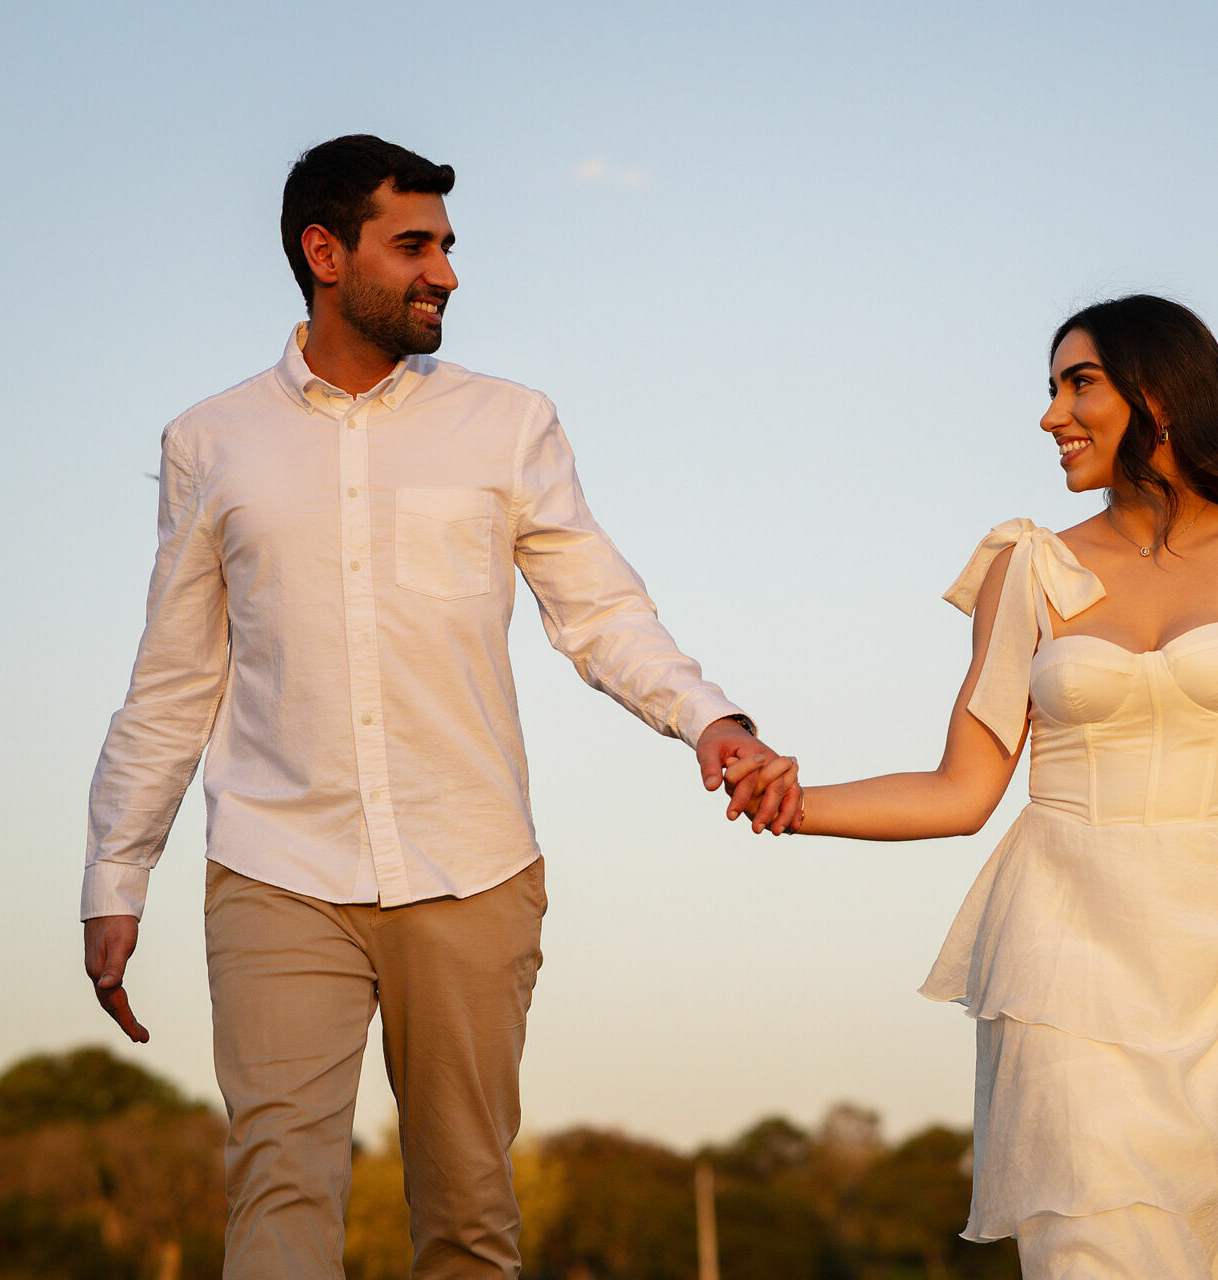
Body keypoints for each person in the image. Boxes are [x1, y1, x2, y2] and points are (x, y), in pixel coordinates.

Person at [80, 134, 796, 1279]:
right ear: (325, 252)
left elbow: (600, 610)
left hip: (472, 864)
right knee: (276, 1195)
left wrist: (710, 718)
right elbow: (173, 677)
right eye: (413, 246)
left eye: (448, 248)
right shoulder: (209, 443)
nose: (447, 273)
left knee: (467, 1218)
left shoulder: (509, 424)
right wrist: (116, 873)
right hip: (276, 866)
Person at [728, 295, 1218, 1277]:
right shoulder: (1026, 566)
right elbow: (961, 789)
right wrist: (797, 799)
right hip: (1071, 964)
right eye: (1051, 389)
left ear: (1161, 392)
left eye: (1078, 383)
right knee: (1094, 1246)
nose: (1052, 415)